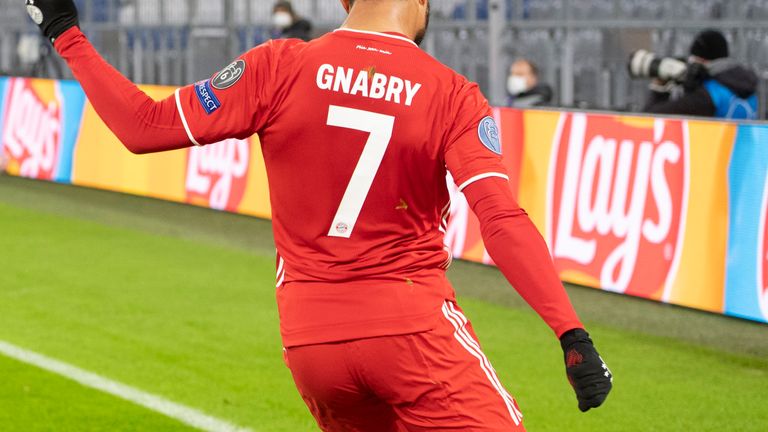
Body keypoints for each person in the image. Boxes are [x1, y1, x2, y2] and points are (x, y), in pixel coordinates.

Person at [24, 0, 613, 430]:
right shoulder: (451, 94)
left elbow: (142, 127)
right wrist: (571, 332)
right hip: (411, 331)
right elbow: (500, 219)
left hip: (312, 344)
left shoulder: (280, 65)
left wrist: (65, 32)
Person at [644, 29, 758, 120]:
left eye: (693, 62)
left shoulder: (708, 95)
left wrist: (660, 88)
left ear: (702, 63)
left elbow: (651, 118)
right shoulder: (747, 87)